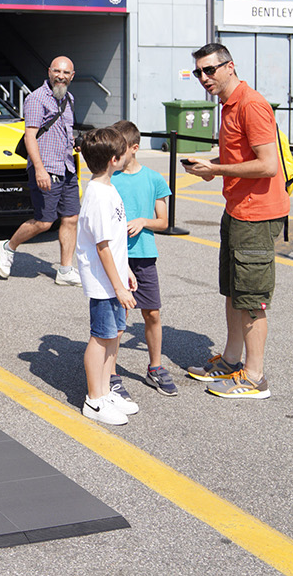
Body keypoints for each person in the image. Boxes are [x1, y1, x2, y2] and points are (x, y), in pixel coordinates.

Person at [181, 42, 289, 400]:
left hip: (257, 214)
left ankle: (255, 377)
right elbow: (240, 156)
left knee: (251, 298)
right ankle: (230, 360)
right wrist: (212, 167)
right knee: (233, 290)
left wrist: (217, 168)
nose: (203, 78)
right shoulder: (228, 105)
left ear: (230, 66)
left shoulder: (251, 104)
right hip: (237, 209)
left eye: (210, 70)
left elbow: (267, 164)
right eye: (198, 72)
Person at [0, 56, 81, 285]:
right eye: (57, 71)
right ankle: (8, 246)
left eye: (66, 72)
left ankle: (65, 270)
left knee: (71, 218)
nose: (60, 76)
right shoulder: (36, 98)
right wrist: (40, 169)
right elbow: (30, 136)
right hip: (46, 167)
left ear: (72, 76)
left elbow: (65, 132)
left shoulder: (69, 99)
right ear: (49, 72)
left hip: (67, 166)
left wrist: (75, 143)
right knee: (44, 221)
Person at [75, 126, 139, 426]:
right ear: (114, 159)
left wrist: (125, 271)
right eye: (125, 150)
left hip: (113, 279)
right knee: (101, 338)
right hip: (103, 283)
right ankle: (95, 398)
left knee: (113, 336)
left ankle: (105, 390)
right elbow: (102, 247)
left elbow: (113, 240)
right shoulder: (98, 195)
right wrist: (118, 285)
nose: (129, 153)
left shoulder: (108, 188)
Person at [109, 120, 176, 397]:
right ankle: (110, 373)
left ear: (134, 148)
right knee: (117, 319)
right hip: (117, 257)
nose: (115, 155)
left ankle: (155, 367)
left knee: (152, 313)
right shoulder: (109, 179)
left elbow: (164, 221)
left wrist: (143, 220)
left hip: (145, 256)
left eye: (120, 149)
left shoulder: (153, 179)